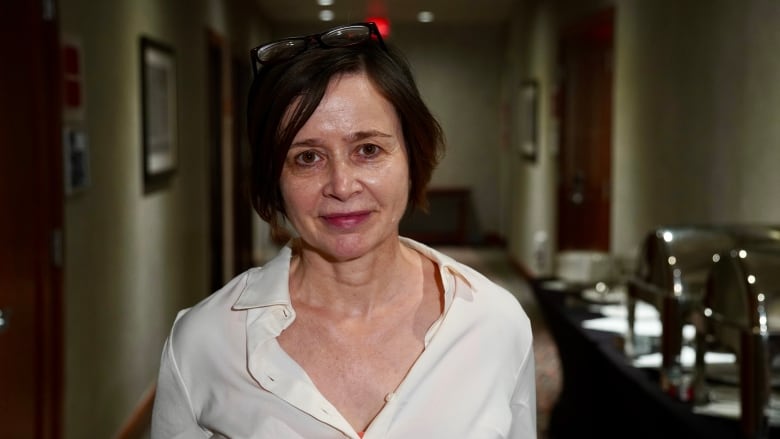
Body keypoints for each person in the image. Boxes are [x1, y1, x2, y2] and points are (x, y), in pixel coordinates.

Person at [151, 22, 536, 438]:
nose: (341, 185)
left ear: (412, 155)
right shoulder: (204, 343)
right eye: (307, 158)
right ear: (273, 179)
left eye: (368, 150)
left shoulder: (493, 323)